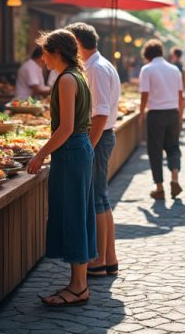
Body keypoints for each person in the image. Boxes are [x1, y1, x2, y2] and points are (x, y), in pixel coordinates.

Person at [26, 30, 96, 307]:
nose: (43, 59)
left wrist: (40, 155)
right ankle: (78, 283)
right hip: (77, 149)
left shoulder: (67, 79)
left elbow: (66, 128)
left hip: (71, 151)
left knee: (73, 214)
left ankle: (79, 287)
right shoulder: (76, 75)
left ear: (57, 53)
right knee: (78, 213)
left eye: (45, 53)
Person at [66, 23, 120, 278]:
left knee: (97, 200)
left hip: (99, 136)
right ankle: (109, 259)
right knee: (101, 198)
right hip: (103, 136)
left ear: (77, 43)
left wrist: (88, 146)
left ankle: (98, 261)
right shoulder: (100, 65)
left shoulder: (96, 68)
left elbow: (100, 114)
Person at [139, 40, 185, 200]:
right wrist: (180, 116)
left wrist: (141, 114)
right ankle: (175, 178)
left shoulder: (147, 69)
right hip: (173, 113)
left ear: (147, 54)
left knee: (155, 151)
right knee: (173, 147)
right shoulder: (174, 69)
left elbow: (144, 95)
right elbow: (180, 96)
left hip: (155, 114)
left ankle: (159, 188)